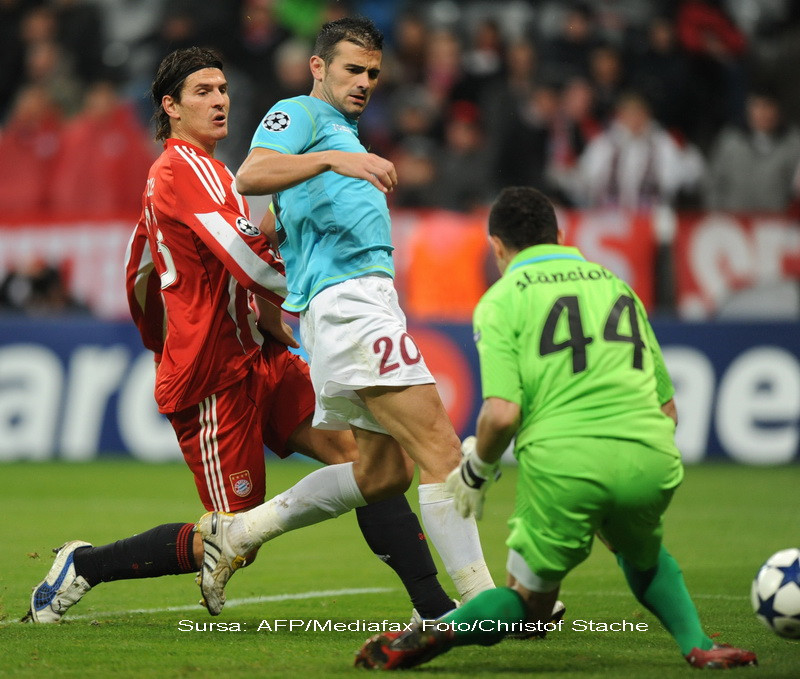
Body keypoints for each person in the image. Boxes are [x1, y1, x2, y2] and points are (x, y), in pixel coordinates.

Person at [23, 46, 456, 624]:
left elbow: (143, 270)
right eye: (203, 91)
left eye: (223, 88)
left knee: (366, 461)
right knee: (234, 537)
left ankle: (433, 605)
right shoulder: (177, 169)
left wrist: (258, 307)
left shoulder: (215, 175)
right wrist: (305, 295)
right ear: (170, 107)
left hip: (260, 356)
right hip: (213, 376)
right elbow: (239, 262)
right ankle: (83, 566)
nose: (220, 100)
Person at [355, 186, 758, 670]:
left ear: (497, 247)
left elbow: (502, 413)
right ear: (561, 235)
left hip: (565, 466)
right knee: (642, 552)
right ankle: (699, 645)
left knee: (528, 604)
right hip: (650, 458)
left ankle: (435, 633)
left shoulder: (502, 299)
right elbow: (668, 409)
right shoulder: (615, 284)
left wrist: (476, 473)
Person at [198, 17, 495, 612]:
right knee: (442, 450)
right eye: (352, 69)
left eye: (373, 73)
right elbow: (251, 173)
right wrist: (335, 160)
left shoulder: (344, 137)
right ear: (318, 67)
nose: (364, 82)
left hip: (357, 306)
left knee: (382, 475)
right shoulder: (303, 117)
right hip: (350, 306)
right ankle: (484, 604)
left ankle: (239, 532)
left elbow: (272, 221)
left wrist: (271, 275)